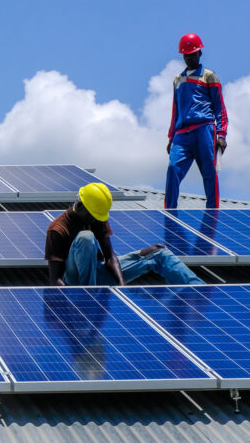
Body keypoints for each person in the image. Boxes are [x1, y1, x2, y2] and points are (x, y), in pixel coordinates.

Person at [45, 183, 203, 286]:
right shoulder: (58, 229)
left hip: (98, 272)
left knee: (158, 252)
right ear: (80, 206)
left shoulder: (97, 215)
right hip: (74, 282)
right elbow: (55, 280)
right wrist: (82, 299)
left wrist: (122, 285)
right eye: (92, 216)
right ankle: (89, 290)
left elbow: (110, 257)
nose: (95, 220)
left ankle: (199, 291)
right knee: (86, 237)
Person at [165, 33, 227, 209]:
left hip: (204, 129)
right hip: (182, 134)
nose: (188, 58)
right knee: (173, 169)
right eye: (185, 55)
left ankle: (212, 214)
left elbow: (219, 107)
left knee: (209, 173)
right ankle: (169, 213)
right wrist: (171, 138)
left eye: (192, 54)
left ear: (199, 53)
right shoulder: (178, 79)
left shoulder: (209, 76)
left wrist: (221, 134)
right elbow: (175, 109)